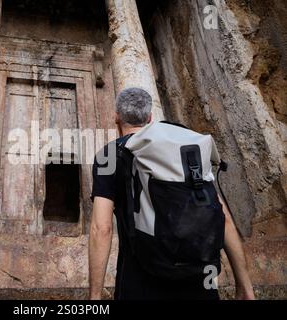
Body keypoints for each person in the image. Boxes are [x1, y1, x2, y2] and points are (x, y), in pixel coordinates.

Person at [88, 87, 255, 300]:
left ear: (116, 117)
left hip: (141, 283)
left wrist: (94, 296)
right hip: (201, 279)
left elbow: (101, 228)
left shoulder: (109, 155)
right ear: (150, 117)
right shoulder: (185, 148)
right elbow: (224, 218)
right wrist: (245, 287)